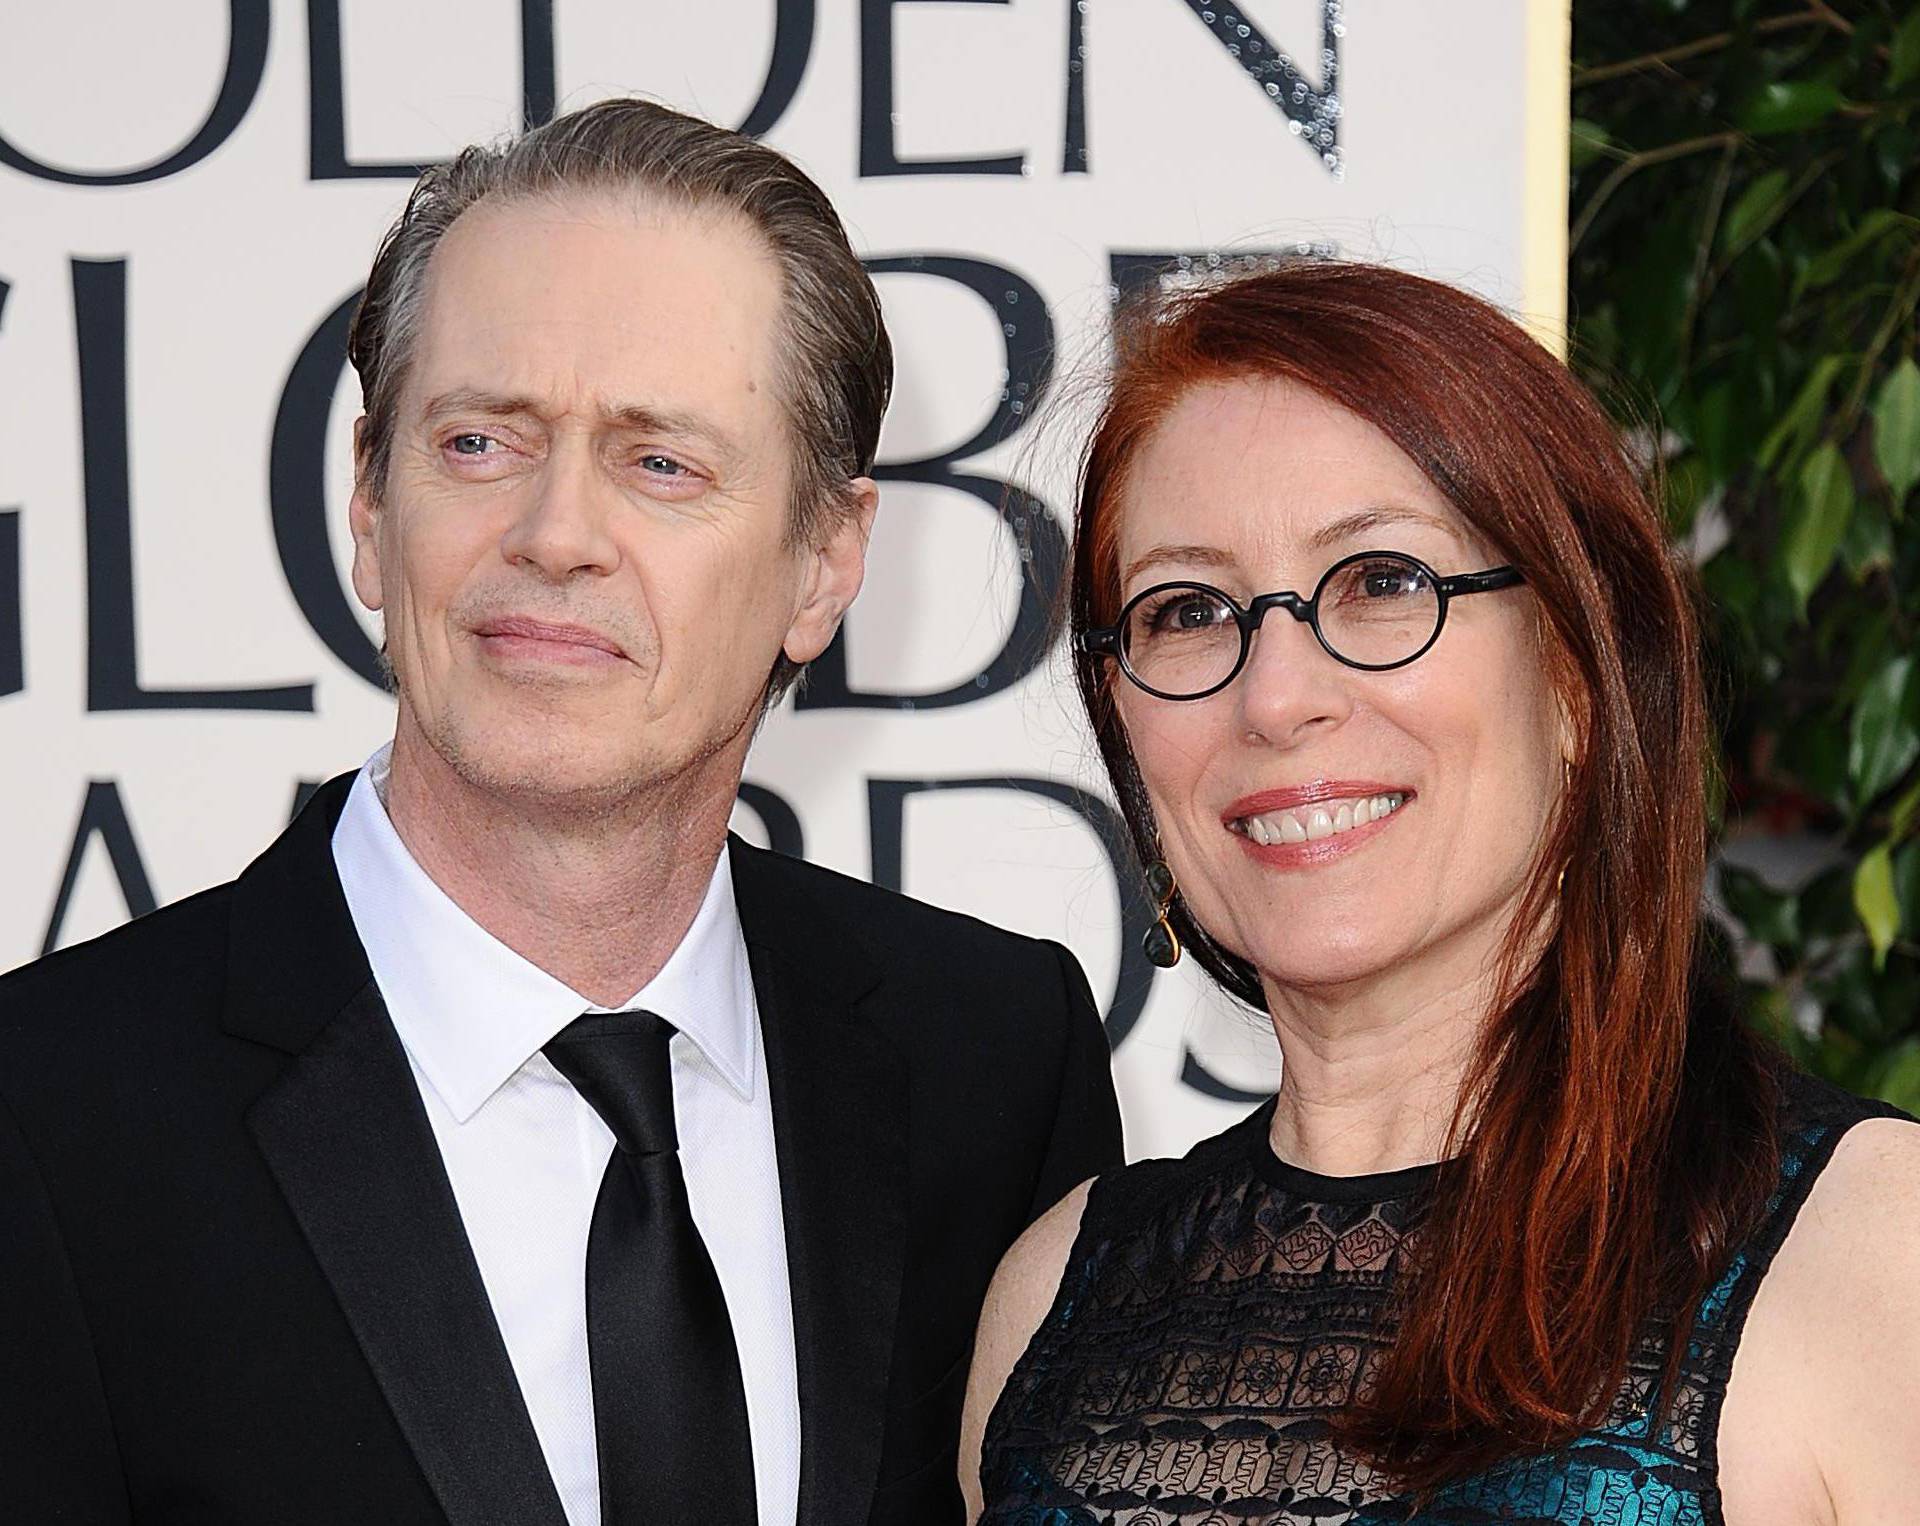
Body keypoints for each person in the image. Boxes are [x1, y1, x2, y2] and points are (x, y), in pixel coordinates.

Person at [0, 99, 1122, 1526]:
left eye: (661, 462)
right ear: (367, 502)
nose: (555, 532)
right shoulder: (43, 1119)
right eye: (479, 442)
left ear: (825, 563)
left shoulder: (992, 1060)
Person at [961, 261, 1920, 1523]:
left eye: (1382, 582)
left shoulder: (1872, 1251)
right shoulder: (1049, 1300)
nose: (1275, 694)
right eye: (1188, 610)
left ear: (1578, 677)